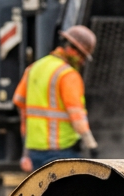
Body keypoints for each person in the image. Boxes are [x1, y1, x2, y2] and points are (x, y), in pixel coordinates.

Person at [13, 25, 99, 171]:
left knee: (44, 193)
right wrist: (91, 145)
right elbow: (77, 117)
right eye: (82, 56)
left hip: (35, 151)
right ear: (73, 51)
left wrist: (26, 150)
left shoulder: (34, 68)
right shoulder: (68, 75)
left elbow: (20, 103)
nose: (82, 62)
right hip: (62, 151)